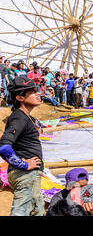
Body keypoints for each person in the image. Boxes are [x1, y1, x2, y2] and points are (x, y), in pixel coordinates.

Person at [0, 76, 44, 216]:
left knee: (37, 211)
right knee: (21, 212)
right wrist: (23, 165)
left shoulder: (25, 118)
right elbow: (4, 148)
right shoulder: (19, 117)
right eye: (32, 92)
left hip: (29, 175)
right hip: (26, 174)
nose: (38, 94)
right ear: (20, 98)